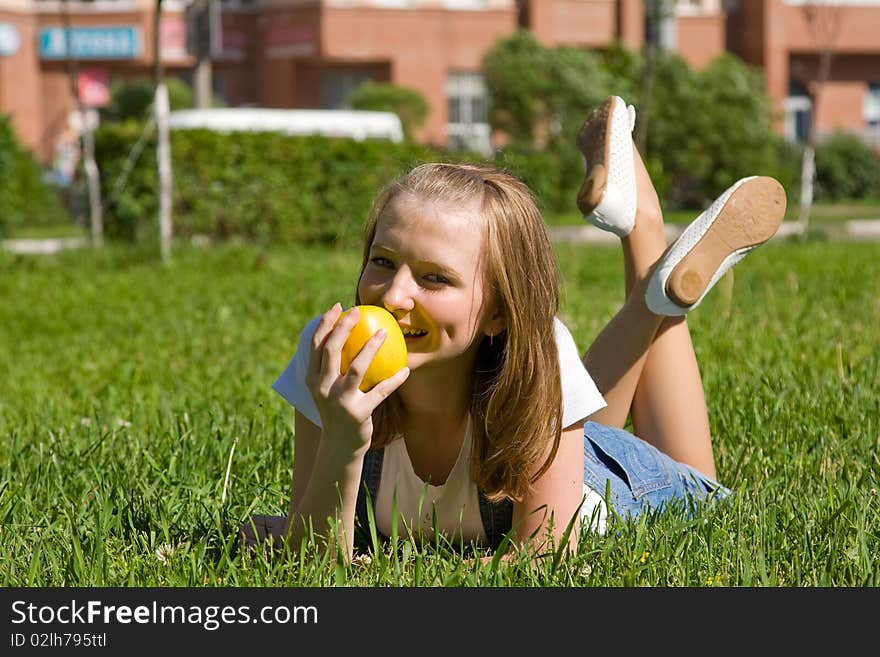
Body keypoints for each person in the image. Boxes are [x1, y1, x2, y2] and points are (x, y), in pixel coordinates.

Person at [240, 95, 787, 560]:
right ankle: (652, 272)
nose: (395, 294)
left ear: (499, 311)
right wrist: (342, 439)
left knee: (705, 490)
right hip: (545, 427)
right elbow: (309, 563)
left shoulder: (539, 354)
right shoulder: (330, 354)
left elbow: (540, 560)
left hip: (599, 485)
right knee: (556, 395)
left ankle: (645, 232)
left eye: (435, 278)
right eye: (382, 262)